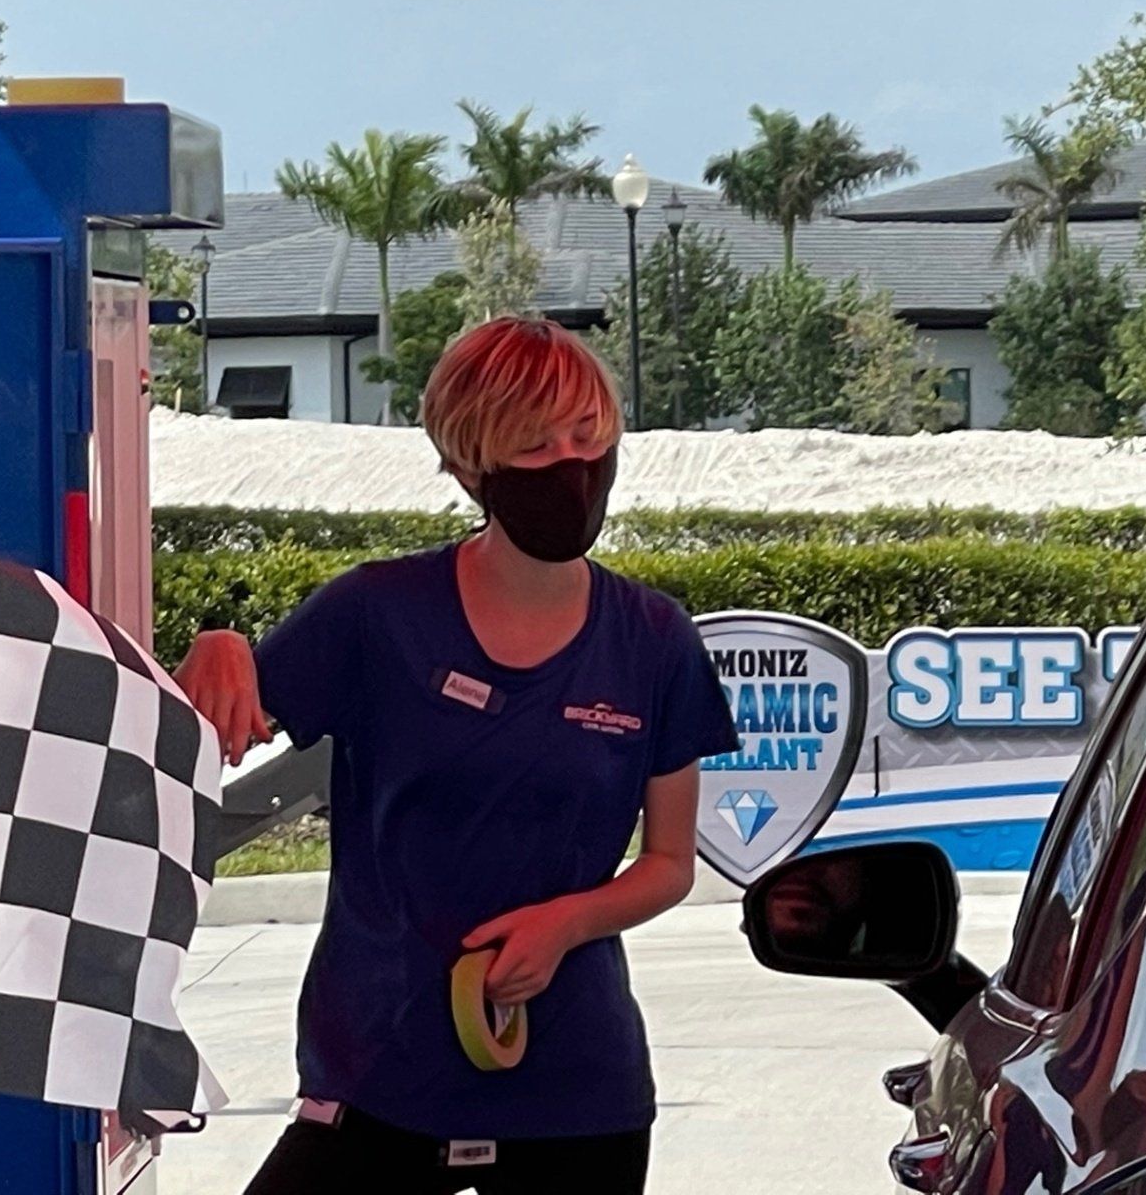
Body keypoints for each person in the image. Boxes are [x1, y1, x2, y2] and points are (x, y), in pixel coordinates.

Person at [176, 317, 738, 1195]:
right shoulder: (375, 615)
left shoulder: (654, 639)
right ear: (472, 463)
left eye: (588, 435)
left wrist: (568, 924)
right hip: (378, 1072)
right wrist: (215, 646)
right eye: (534, 442)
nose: (571, 463)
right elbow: (194, 738)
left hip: (576, 1096)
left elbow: (668, 863)